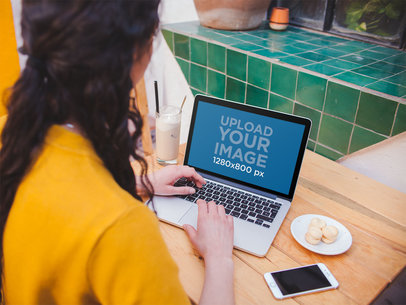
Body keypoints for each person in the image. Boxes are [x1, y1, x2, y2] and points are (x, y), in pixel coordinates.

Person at [0, 1, 235, 304]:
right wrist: (218, 258)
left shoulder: (11, 132)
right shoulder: (123, 231)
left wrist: (142, 183)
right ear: (138, 52)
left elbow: (56, 195)